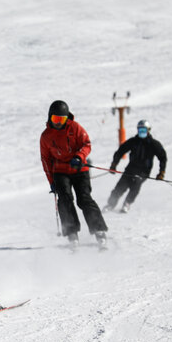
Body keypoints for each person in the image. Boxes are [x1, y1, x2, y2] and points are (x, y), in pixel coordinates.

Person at [40, 100, 108, 247]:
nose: (58, 123)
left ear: (67, 118)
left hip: (79, 169)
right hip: (60, 171)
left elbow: (86, 144)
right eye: (55, 119)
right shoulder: (46, 136)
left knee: (84, 198)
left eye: (62, 119)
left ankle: (99, 230)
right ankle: (71, 233)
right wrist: (51, 181)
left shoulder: (75, 128)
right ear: (50, 117)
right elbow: (46, 160)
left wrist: (79, 157)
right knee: (64, 199)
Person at [103, 120, 167, 213]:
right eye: (140, 130)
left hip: (144, 171)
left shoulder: (153, 144)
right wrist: (114, 164)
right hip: (130, 169)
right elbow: (120, 151)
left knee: (136, 184)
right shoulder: (133, 141)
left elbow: (163, 157)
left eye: (144, 130)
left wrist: (161, 172)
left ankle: (127, 203)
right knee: (120, 186)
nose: (141, 132)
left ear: (148, 130)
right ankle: (111, 204)